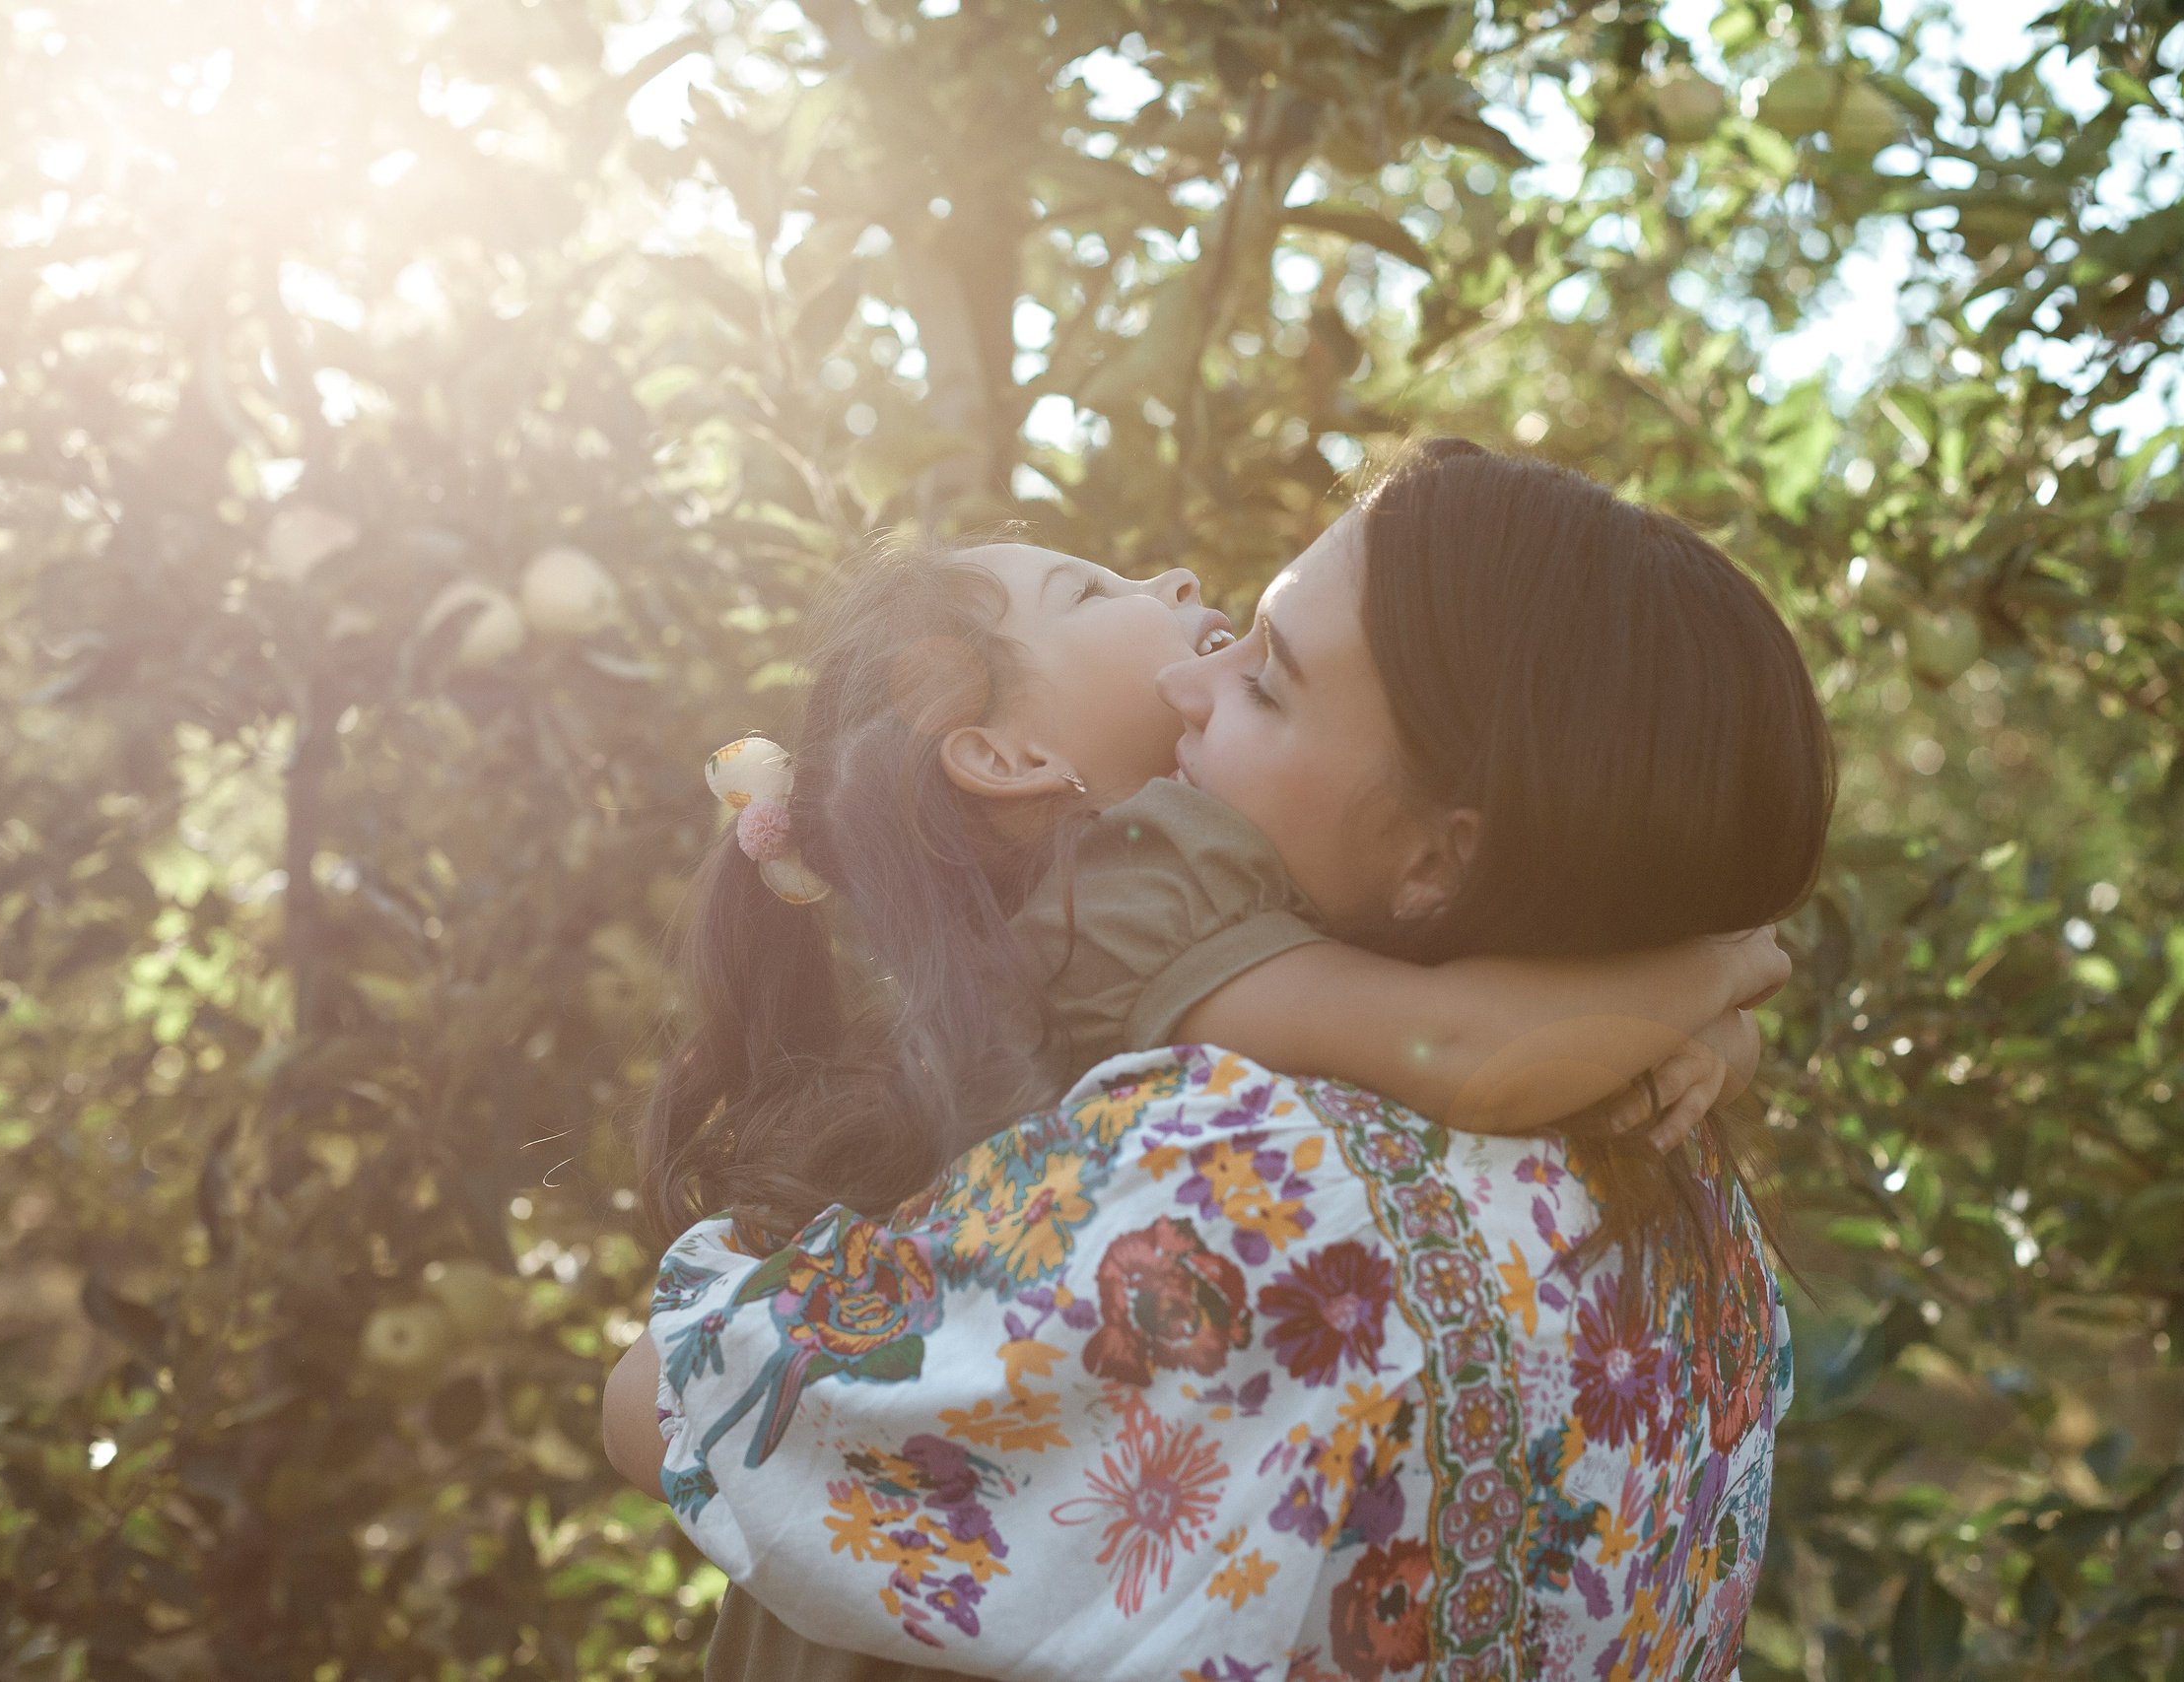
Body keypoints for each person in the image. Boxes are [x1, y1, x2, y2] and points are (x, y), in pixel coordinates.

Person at [607, 440, 1833, 1679]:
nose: (1199, 677)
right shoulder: (1703, 1238)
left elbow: (679, 1399)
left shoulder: (1257, 1183)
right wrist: (1713, 980)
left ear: (1436, 859)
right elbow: (1470, 1041)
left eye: (1269, 686)